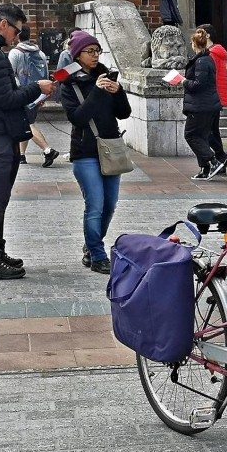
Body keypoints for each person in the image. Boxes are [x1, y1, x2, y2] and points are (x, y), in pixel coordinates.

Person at [0, 3, 56, 280]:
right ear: (3, 24)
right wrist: (35, 88)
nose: (16, 38)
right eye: (16, 31)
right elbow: (5, 100)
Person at [59, 32, 131, 274]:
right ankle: (98, 255)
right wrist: (98, 92)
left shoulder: (106, 75)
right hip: (85, 151)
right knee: (95, 205)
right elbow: (77, 117)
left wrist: (118, 91)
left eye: (97, 50)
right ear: (77, 54)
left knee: (110, 204)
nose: (95, 55)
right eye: (90, 51)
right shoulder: (68, 81)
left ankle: (91, 246)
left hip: (110, 148)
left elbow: (124, 113)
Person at [173, 28, 227, 180]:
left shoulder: (202, 61)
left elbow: (199, 84)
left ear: (194, 44)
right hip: (206, 104)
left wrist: (183, 81)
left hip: (200, 106)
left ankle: (212, 161)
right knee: (202, 136)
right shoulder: (206, 58)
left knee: (191, 135)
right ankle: (205, 168)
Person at [7, 25, 60, 167]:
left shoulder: (15, 53)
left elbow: (10, 76)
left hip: (22, 94)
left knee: (26, 124)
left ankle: (47, 150)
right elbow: (45, 76)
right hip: (38, 94)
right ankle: (21, 155)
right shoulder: (41, 53)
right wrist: (42, 95)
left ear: (18, 35)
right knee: (27, 122)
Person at [197, 23, 227, 172]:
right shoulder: (216, 53)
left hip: (211, 96)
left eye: (200, 33)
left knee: (206, 132)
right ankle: (221, 161)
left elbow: (208, 78)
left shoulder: (210, 54)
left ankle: (221, 156)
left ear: (208, 36)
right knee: (213, 131)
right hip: (216, 95)